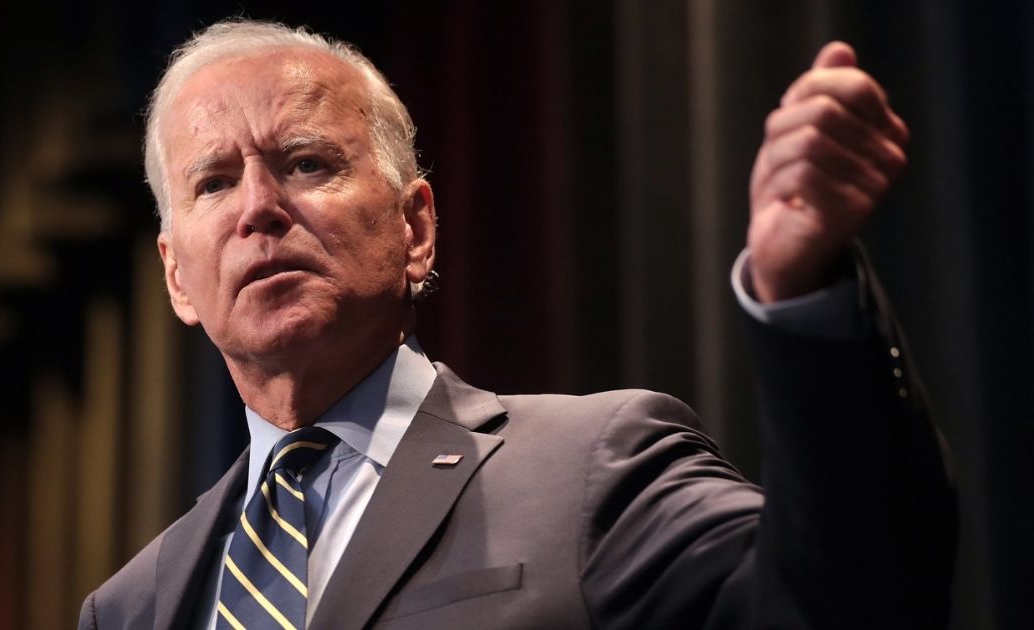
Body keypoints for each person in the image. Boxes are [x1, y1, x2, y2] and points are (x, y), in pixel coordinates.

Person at [79, 19, 955, 630]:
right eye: (214, 183)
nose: (260, 209)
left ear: (416, 228)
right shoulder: (132, 604)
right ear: (176, 277)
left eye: (306, 163)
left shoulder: (591, 468)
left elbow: (853, 602)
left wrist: (802, 294)